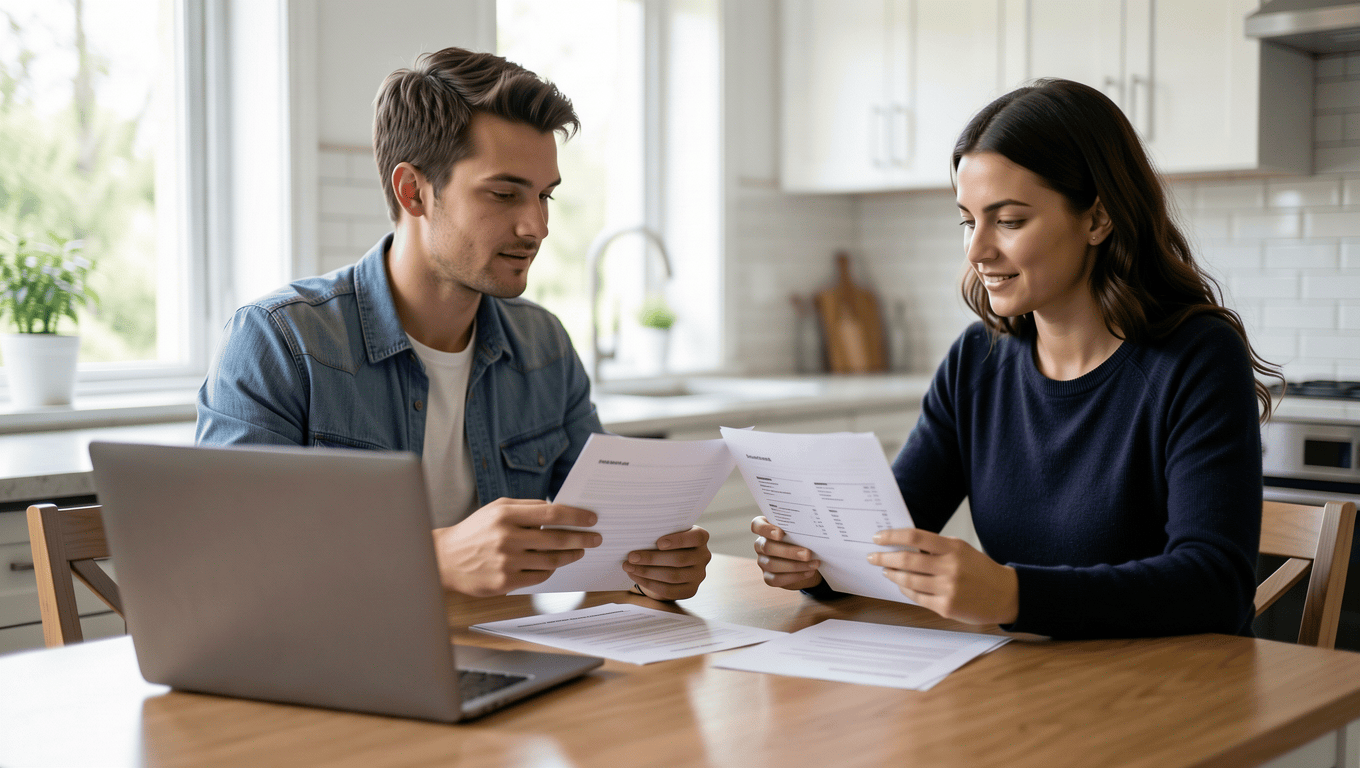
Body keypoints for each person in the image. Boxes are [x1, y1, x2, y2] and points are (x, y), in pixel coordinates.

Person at [752, 78, 1276, 639]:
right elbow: (884, 541)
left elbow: (1215, 586)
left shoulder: (1196, 358)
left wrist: (1011, 593)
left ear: (1098, 219)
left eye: (1008, 221)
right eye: (967, 220)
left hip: (1169, 696)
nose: (977, 250)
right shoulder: (977, 360)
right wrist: (816, 561)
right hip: (1024, 685)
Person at [196, 47, 710, 601]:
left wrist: (651, 566)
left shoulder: (544, 346)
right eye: (504, 193)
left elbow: (599, 537)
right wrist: (431, 557)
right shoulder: (278, 342)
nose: (536, 226)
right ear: (413, 191)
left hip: (512, 658)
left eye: (545, 196)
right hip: (330, 671)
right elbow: (228, 563)